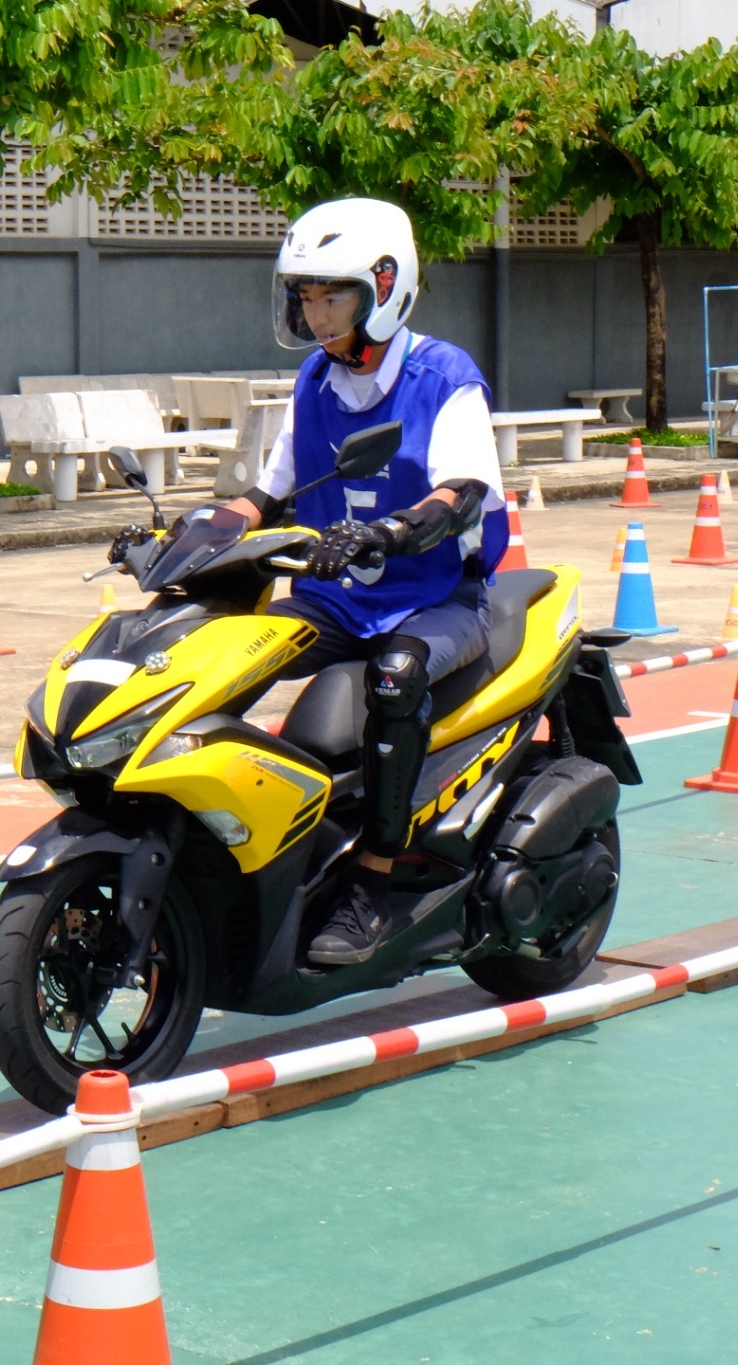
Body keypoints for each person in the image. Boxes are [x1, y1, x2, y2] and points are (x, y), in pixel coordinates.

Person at [235, 197, 507, 966]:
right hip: (338, 601)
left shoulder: (443, 377)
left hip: (434, 600)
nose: (317, 315)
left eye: (334, 295)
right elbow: (265, 494)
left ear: (385, 288)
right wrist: (186, 533)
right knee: (232, 647)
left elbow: (461, 495)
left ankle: (373, 890)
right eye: (307, 296)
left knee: (394, 678)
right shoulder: (315, 383)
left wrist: (388, 530)